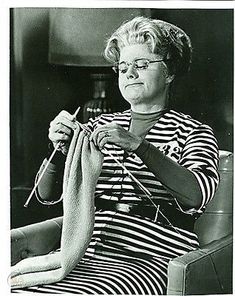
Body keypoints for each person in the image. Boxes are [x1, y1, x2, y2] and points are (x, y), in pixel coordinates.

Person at [23, 16, 220, 294]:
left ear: (170, 71)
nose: (129, 74)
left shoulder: (194, 131)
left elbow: (196, 195)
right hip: (82, 251)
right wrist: (57, 149)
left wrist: (138, 144)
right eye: (123, 67)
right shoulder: (96, 126)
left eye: (141, 65)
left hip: (150, 257)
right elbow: (45, 195)